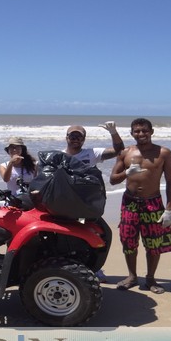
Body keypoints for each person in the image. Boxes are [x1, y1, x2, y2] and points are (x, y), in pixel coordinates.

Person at [109, 118, 171, 294]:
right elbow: (113, 180)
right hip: (130, 203)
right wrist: (126, 172)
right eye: (137, 131)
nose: (141, 134)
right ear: (132, 133)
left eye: (144, 131)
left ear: (151, 132)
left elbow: (170, 182)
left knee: (153, 244)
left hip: (153, 202)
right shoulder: (126, 153)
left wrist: (169, 208)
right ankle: (132, 276)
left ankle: (151, 279)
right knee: (128, 242)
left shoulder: (163, 153)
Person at [64, 121, 125, 283]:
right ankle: (72, 268)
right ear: (67, 137)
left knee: (103, 235)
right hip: (65, 208)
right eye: (73, 135)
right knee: (71, 239)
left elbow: (120, 151)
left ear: (84, 139)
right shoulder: (58, 155)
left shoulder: (92, 153)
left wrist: (113, 132)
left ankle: (95, 268)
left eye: (80, 136)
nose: (76, 138)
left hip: (87, 207)